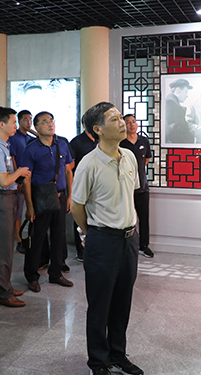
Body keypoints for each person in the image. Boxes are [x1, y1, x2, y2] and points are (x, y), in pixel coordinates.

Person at [71, 102, 144, 375]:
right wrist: (91, 233)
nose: (122, 122)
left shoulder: (129, 156)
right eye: (114, 119)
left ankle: (117, 355)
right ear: (98, 129)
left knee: (123, 302)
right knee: (100, 305)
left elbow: (130, 195)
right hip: (102, 240)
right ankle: (98, 363)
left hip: (129, 239)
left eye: (120, 117)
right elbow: (76, 206)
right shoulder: (89, 164)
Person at [0, 106, 31, 307]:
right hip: (0, 199)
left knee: (5, 247)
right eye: (13, 122)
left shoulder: (2, 145)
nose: (15, 126)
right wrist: (19, 172)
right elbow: (3, 181)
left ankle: (2, 286)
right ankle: (3, 293)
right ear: (1, 124)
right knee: (3, 248)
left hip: (6, 198)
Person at [22, 111, 74, 292]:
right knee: (37, 238)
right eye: (45, 122)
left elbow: (68, 171)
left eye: (51, 120)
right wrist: (29, 206)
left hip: (60, 196)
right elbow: (26, 179)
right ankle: (32, 276)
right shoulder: (31, 149)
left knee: (59, 237)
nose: (50, 124)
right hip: (40, 198)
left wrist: (70, 197)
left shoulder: (62, 145)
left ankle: (56, 273)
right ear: (36, 127)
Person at [120, 114, 154, 258]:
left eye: (133, 122)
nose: (132, 125)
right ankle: (126, 245)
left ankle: (143, 245)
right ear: (124, 125)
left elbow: (146, 159)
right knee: (126, 217)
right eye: (128, 122)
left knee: (144, 217)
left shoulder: (144, 141)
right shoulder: (121, 143)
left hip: (142, 187)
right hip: (125, 188)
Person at [69, 118, 98, 261]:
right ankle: (81, 250)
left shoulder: (100, 140)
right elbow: (70, 167)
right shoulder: (77, 142)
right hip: (81, 185)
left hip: (97, 186)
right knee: (80, 218)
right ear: (85, 125)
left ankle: (94, 248)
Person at [9, 109, 35, 254]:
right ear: (19, 121)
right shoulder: (14, 137)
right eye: (26, 119)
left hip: (31, 179)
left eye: (30, 119)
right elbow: (12, 159)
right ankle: (19, 239)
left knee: (30, 208)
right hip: (19, 179)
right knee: (18, 211)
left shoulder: (30, 138)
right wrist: (17, 179)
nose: (29, 122)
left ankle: (29, 237)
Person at [165, 78, 193, 143]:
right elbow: (173, 128)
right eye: (185, 92)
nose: (187, 95)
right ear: (178, 90)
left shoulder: (173, 103)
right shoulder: (170, 103)